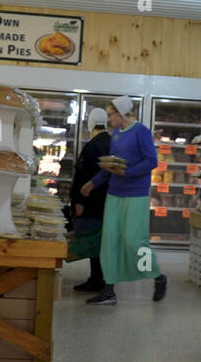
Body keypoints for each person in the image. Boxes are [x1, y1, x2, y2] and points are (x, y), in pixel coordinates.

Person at [79, 96, 169, 305]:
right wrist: (93, 182)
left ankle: (158, 276)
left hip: (136, 195)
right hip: (114, 194)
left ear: (121, 113)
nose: (109, 119)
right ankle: (109, 291)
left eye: (111, 114)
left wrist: (127, 172)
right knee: (109, 242)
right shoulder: (116, 134)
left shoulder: (141, 132)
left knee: (134, 241)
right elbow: (111, 165)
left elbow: (151, 161)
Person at [69, 107, 111, 293]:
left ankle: (98, 282)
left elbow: (81, 177)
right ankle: (99, 279)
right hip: (110, 203)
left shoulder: (92, 146)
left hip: (92, 203)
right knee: (103, 244)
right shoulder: (112, 143)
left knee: (94, 244)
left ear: (91, 123)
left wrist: (78, 203)